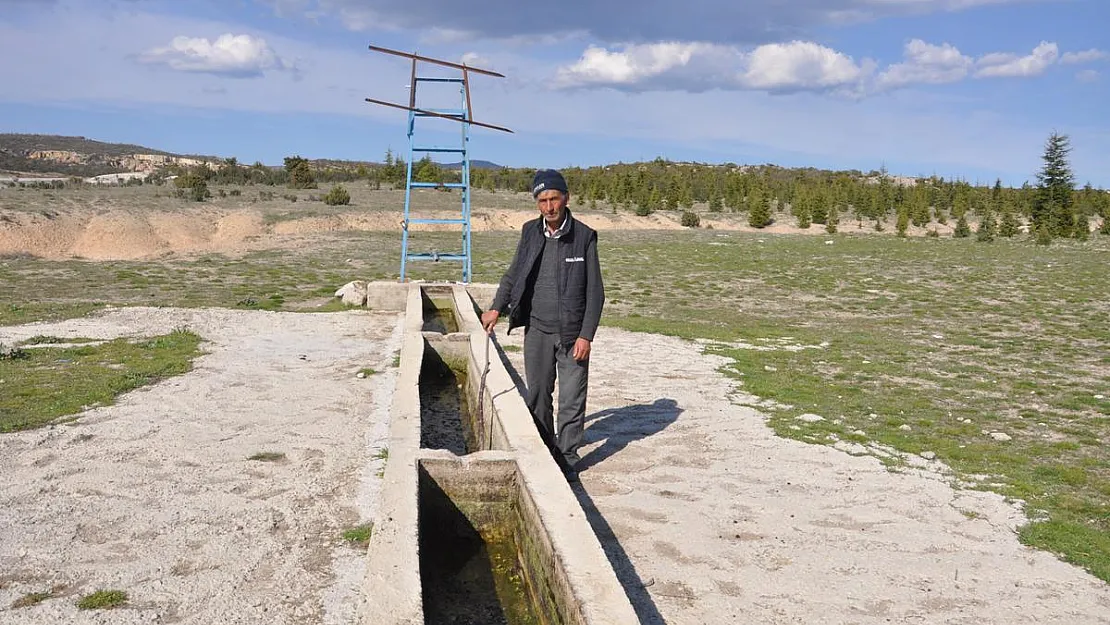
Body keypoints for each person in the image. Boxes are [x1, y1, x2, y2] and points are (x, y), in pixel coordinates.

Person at [481, 169, 605, 482]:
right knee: (537, 395)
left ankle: (567, 460)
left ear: (566, 198)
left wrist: (586, 335)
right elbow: (513, 274)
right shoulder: (530, 232)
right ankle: (544, 448)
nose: (549, 206)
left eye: (554, 198)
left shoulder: (584, 236)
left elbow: (596, 293)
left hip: (571, 334)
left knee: (571, 400)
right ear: (537, 202)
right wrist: (497, 307)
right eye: (542, 200)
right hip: (536, 329)